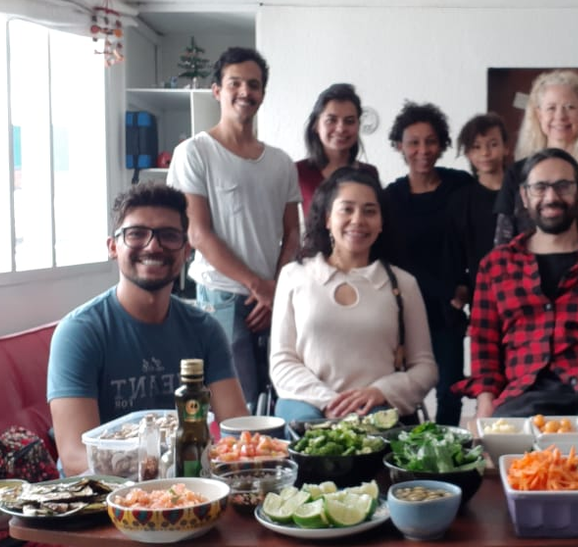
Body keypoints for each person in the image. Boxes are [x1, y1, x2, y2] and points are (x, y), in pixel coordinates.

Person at [47, 183, 249, 476]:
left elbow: (236, 429)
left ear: (186, 251)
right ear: (113, 247)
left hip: (191, 487)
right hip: (102, 494)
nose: (153, 246)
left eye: (169, 235)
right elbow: (76, 456)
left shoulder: (205, 330)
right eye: (136, 234)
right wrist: (164, 470)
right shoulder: (79, 333)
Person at [453, 148, 578, 420]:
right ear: (524, 196)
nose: (551, 197)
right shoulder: (496, 266)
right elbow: (484, 346)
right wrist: (485, 405)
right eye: (540, 187)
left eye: (563, 186)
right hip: (524, 398)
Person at [167, 47, 302, 411]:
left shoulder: (281, 163)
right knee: (236, 403)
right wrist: (260, 287)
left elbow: (293, 234)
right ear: (217, 91)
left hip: (274, 295)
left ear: (263, 94)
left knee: (281, 396)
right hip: (221, 295)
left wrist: (276, 289)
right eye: (235, 83)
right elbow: (198, 233)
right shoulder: (194, 152)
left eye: (254, 85)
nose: (245, 92)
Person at [270, 168, 437, 423]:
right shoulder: (294, 276)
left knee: (377, 431)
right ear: (327, 218)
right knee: (307, 434)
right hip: (307, 408)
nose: (358, 220)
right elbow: (282, 361)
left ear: (381, 223)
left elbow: (425, 367)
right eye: (347, 209)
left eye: (369, 211)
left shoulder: (404, 284)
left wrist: (380, 392)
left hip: (377, 411)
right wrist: (330, 402)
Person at [384, 101, 474, 426]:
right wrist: (447, 290)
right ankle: (407, 450)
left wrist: (466, 289)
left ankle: (447, 449)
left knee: (450, 391)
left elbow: (479, 242)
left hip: (448, 310)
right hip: (404, 308)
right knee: (403, 391)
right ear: (399, 146)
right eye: (413, 142)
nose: (422, 150)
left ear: (442, 144)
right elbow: (394, 259)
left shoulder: (461, 186)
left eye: (431, 141)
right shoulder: (391, 197)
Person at [493, 70, 578, 246]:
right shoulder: (517, 173)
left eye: (570, 107)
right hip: (526, 264)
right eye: (551, 108)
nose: (560, 116)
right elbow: (502, 243)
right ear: (539, 115)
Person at [448, 113, 511, 310]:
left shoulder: (522, 193)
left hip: (523, 290)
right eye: (476, 147)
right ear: (468, 153)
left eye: (493, 144)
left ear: (506, 148)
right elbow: (454, 253)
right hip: (482, 295)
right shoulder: (461, 200)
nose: (485, 152)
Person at [296, 83, 380, 212]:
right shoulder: (298, 172)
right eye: (331, 120)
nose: (341, 129)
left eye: (349, 121)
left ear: (358, 125)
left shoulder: (370, 173)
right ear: (316, 125)